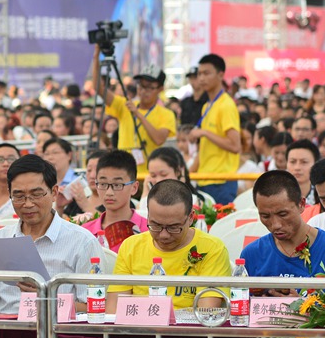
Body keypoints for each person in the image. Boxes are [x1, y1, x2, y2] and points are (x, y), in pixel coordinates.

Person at [0, 155, 99, 314]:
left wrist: (48, 299)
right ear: (10, 194)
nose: (28, 204)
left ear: (54, 192)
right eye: (19, 196)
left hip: (56, 327)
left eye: (36, 194)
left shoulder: (82, 242)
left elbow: (93, 306)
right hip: (7, 326)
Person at [108, 178, 231, 310]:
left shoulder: (211, 249)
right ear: (148, 216)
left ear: (190, 217)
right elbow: (113, 310)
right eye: (156, 225)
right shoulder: (131, 247)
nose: (164, 235)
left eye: (173, 227)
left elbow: (206, 313)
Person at [240, 170, 325, 287]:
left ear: (301, 204)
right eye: (265, 216)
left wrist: (300, 299)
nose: (276, 225)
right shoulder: (252, 254)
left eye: (283, 214)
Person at [91, 61, 175, 167]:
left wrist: (138, 114)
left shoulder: (167, 114)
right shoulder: (125, 104)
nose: (144, 91)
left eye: (150, 87)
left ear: (160, 89)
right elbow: (98, 89)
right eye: (141, 86)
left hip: (149, 172)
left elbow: (159, 139)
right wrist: (96, 56)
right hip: (124, 170)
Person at [189, 54, 241, 205]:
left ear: (220, 75)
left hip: (221, 182)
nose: (201, 78)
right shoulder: (207, 106)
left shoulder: (226, 105)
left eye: (207, 73)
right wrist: (189, 173)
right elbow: (205, 148)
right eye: (199, 74)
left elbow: (235, 146)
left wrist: (205, 132)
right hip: (204, 179)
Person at [80, 150, 148, 252]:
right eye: (103, 184)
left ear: (134, 187)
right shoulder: (85, 233)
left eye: (117, 185)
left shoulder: (149, 231)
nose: (109, 192)